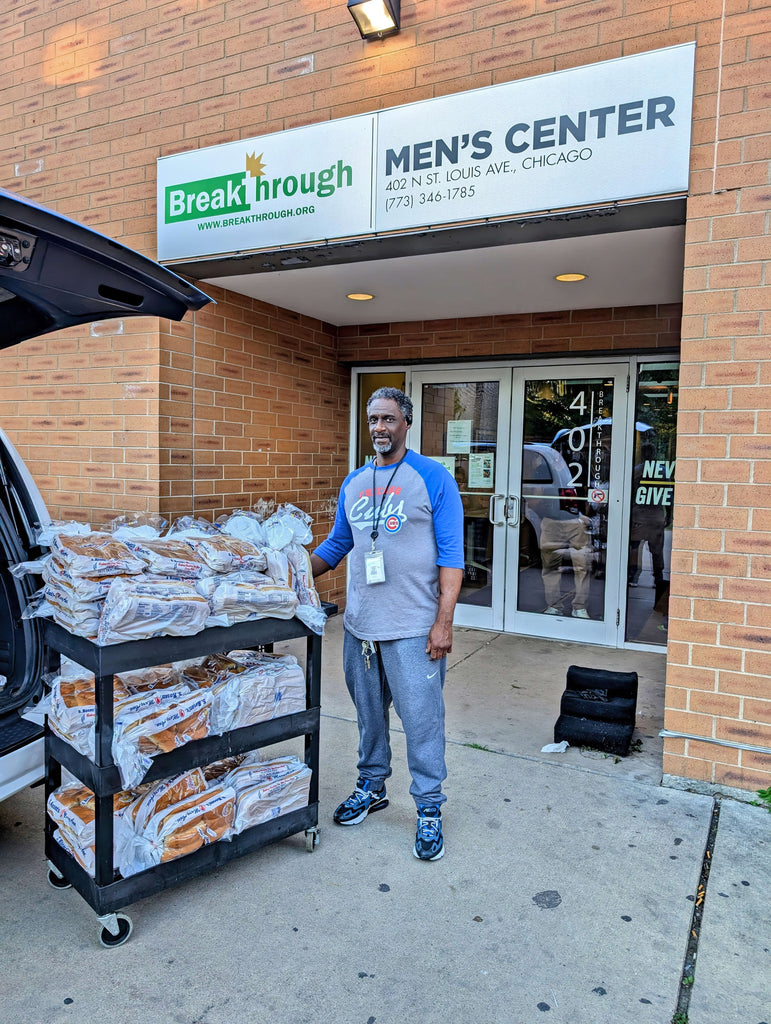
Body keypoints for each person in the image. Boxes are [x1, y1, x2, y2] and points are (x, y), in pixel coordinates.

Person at [310, 387, 464, 861]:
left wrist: (443, 623)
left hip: (414, 626)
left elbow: (452, 557)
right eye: (374, 419)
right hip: (361, 626)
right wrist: (285, 571)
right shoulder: (354, 482)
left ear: (406, 423)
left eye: (388, 419)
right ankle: (372, 786)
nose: (379, 427)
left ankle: (429, 807)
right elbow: (336, 546)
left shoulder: (433, 478)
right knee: (369, 716)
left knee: (422, 721)